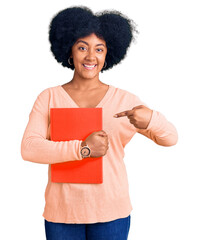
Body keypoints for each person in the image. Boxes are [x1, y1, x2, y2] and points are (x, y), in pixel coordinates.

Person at [21, 6, 178, 240]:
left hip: (112, 213)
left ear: (108, 55)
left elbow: (171, 138)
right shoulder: (49, 97)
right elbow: (29, 148)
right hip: (62, 214)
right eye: (82, 47)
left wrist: (151, 119)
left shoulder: (125, 100)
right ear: (70, 51)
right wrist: (83, 149)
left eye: (99, 49)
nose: (91, 56)